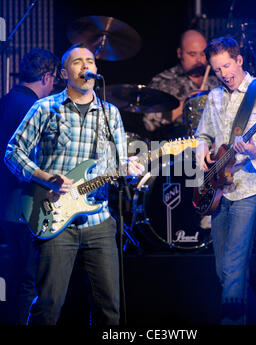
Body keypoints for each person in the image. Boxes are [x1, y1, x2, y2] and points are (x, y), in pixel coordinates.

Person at [4, 43, 144, 325]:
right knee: (48, 306)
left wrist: (129, 169)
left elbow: (113, 166)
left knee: (110, 310)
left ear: (96, 70)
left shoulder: (110, 113)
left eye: (90, 61)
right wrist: (44, 177)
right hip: (54, 217)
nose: (85, 66)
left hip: (100, 220)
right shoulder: (44, 108)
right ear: (63, 73)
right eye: (77, 62)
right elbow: (12, 153)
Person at [195, 36, 256, 324]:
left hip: (251, 186)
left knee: (234, 266)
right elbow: (203, 135)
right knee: (222, 269)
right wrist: (201, 152)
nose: (224, 74)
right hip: (218, 189)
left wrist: (253, 150)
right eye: (217, 69)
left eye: (227, 66)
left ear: (239, 60)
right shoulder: (213, 97)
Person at [0, 47, 60, 324]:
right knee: (28, 279)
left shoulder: (6, 100)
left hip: (6, 205)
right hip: (24, 205)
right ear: (48, 77)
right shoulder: (34, 108)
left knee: (16, 276)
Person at [143, 29, 219, 141]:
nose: (199, 60)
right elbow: (149, 123)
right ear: (180, 53)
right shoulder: (163, 82)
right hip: (175, 151)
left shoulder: (217, 80)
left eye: (203, 54)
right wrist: (186, 104)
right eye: (192, 54)